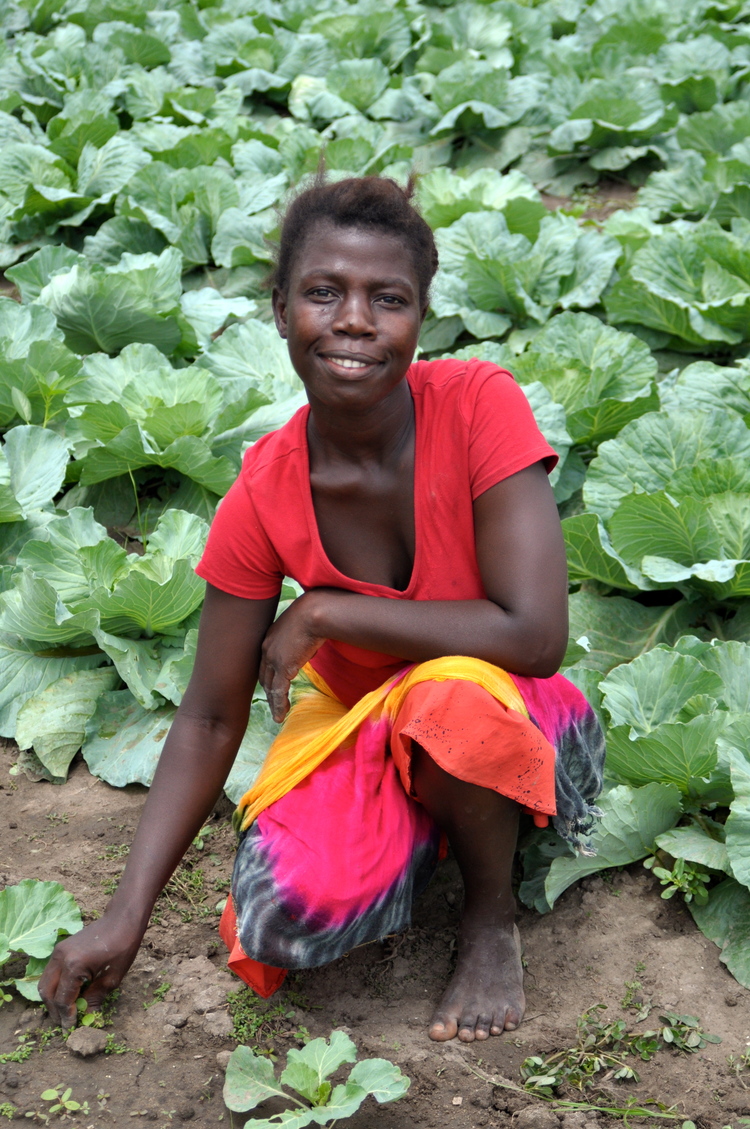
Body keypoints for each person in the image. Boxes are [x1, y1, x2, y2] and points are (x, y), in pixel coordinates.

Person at [40, 176, 604, 1044]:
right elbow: (210, 711)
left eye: (388, 299)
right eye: (322, 292)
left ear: (420, 317)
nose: (353, 320)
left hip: (516, 713)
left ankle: (490, 913)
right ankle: (431, 827)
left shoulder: (478, 406)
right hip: (366, 726)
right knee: (281, 917)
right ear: (279, 310)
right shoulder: (265, 490)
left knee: (445, 698)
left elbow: (534, 635)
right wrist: (125, 916)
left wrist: (332, 613)